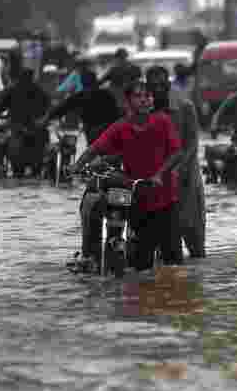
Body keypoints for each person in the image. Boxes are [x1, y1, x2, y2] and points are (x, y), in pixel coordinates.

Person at [69, 80, 185, 272]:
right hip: (137, 198)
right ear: (128, 101)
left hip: (165, 197)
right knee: (141, 265)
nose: (144, 100)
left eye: (147, 96)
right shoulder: (120, 127)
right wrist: (76, 166)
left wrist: (159, 175)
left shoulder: (162, 121)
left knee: (173, 262)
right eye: (138, 96)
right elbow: (95, 148)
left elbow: (177, 153)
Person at [146, 65, 205, 258]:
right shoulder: (144, 110)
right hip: (156, 178)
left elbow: (192, 143)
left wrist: (179, 169)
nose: (157, 89)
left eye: (161, 84)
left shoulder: (185, 106)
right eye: (153, 85)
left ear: (168, 84)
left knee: (192, 230)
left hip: (186, 176)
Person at [0, 68, 51, 176]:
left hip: (20, 129)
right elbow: (49, 110)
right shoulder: (40, 91)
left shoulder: (12, 89)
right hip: (34, 131)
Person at [39, 70, 122, 145]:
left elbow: (60, 109)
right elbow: (117, 113)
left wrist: (45, 120)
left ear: (82, 82)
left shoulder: (80, 96)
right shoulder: (107, 95)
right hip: (110, 132)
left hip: (96, 134)